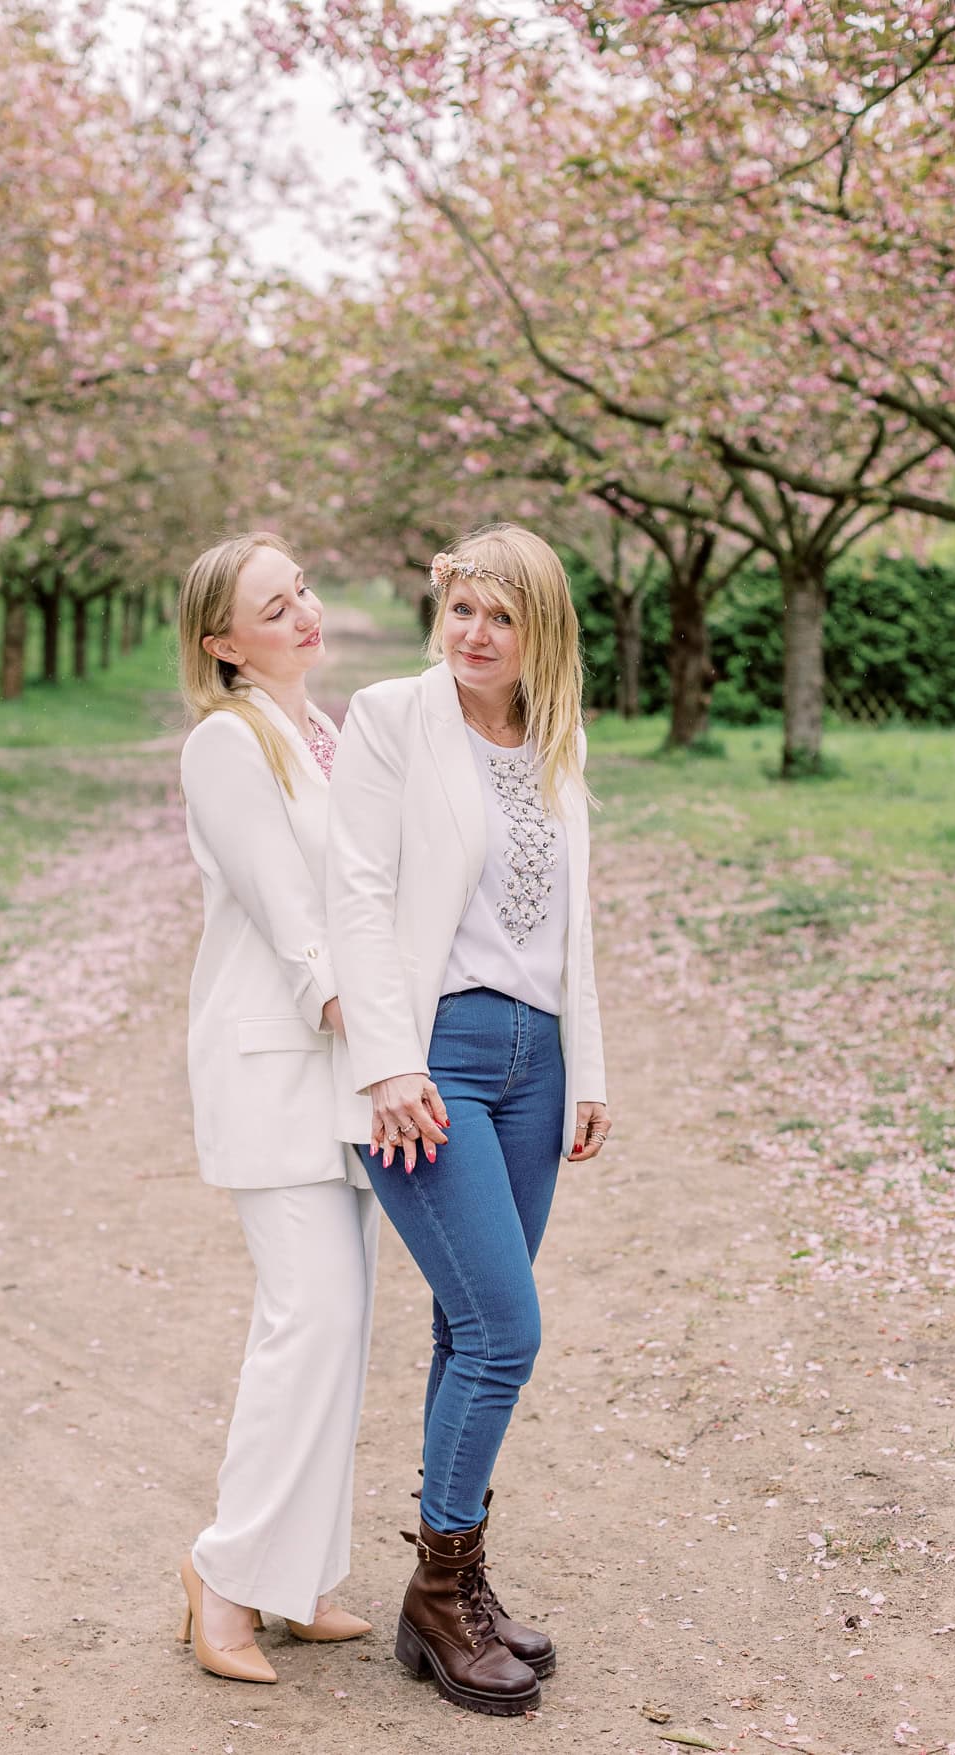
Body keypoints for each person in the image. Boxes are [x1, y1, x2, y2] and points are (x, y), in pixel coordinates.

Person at [325, 523, 611, 1716]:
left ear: (540, 628)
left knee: (467, 1328)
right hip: (434, 1059)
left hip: (537, 1058)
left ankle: (455, 1589)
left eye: (501, 616)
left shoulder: (555, 736)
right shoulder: (394, 716)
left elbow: (568, 924)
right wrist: (385, 1062)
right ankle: (442, 1596)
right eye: (460, 612)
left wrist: (587, 1068)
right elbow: (356, 886)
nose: (476, 636)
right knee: (507, 1332)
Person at [175, 531, 377, 1684]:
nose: (303, 612)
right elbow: (289, 908)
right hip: (276, 1062)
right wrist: (358, 1009)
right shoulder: (225, 742)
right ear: (223, 644)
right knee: (309, 1324)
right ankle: (224, 1576)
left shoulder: (322, 731)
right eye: (271, 604)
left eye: (300, 589)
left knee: (337, 1333)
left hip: (335, 1075)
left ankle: (295, 1581)